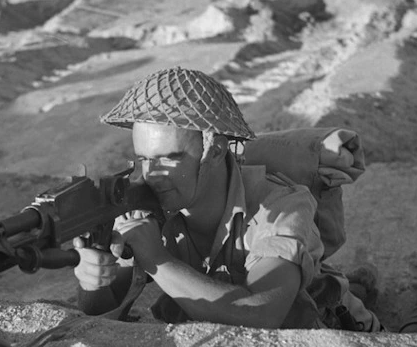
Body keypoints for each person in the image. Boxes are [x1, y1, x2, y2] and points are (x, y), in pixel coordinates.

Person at [72, 66, 383, 330]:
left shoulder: (281, 206)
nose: (151, 174)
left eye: (168, 159)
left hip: (334, 330)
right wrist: (95, 278)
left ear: (216, 151)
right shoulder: (150, 202)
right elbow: (102, 314)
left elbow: (261, 312)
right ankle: (359, 283)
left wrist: (156, 259)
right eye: (143, 159)